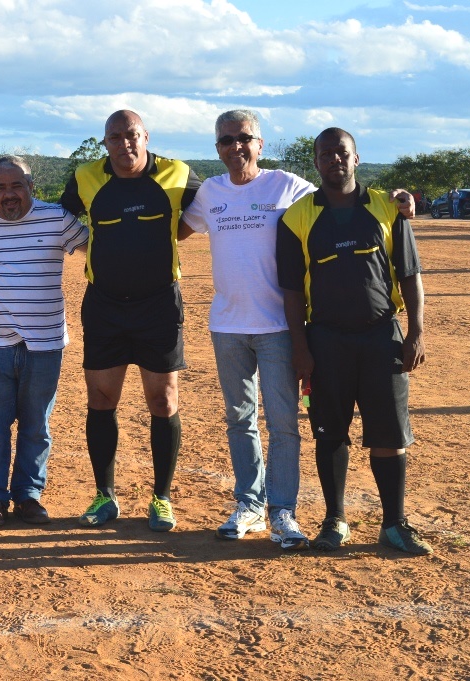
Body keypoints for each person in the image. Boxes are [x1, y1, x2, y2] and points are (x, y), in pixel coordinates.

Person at [276, 127, 432, 555]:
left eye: (341, 153)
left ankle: (394, 525)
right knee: (329, 433)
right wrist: (301, 348)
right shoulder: (297, 218)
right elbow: (291, 291)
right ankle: (334, 521)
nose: (334, 160)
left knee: (389, 433)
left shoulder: (387, 207)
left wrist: (415, 331)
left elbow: (409, 274)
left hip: (382, 336)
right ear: (316, 162)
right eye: (325, 154)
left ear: (356, 158)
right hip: (325, 341)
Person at [180, 110, 316, 549]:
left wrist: (395, 202)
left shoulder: (286, 186)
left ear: (260, 144)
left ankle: (283, 512)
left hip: (277, 325)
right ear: (216, 148)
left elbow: (338, 202)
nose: (235, 147)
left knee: (283, 423)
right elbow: (171, 231)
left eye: (244, 138)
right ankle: (250, 506)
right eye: (225, 141)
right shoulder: (210, 193)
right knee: (240, 421)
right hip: (227, 325)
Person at [60, 110, 201, 532]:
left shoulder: (178, 174)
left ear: (146, 137)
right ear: (105, 143)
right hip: (104, 304)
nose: (125, 143)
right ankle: (105, 496)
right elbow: (53, 214)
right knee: (101, 399)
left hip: (158, 305)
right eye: (116, 137)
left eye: (133, 135)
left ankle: (162, 497)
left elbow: (216, 204)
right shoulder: (85, 178)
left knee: (163, 401)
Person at [0, 156, 89, 527]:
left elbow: (98, 251)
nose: (8, 194)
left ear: (31, 187)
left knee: (36, 426)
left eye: (16, 186)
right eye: (1, 187)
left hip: (44, 344)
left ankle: (29, 496)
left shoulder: (57, 219)